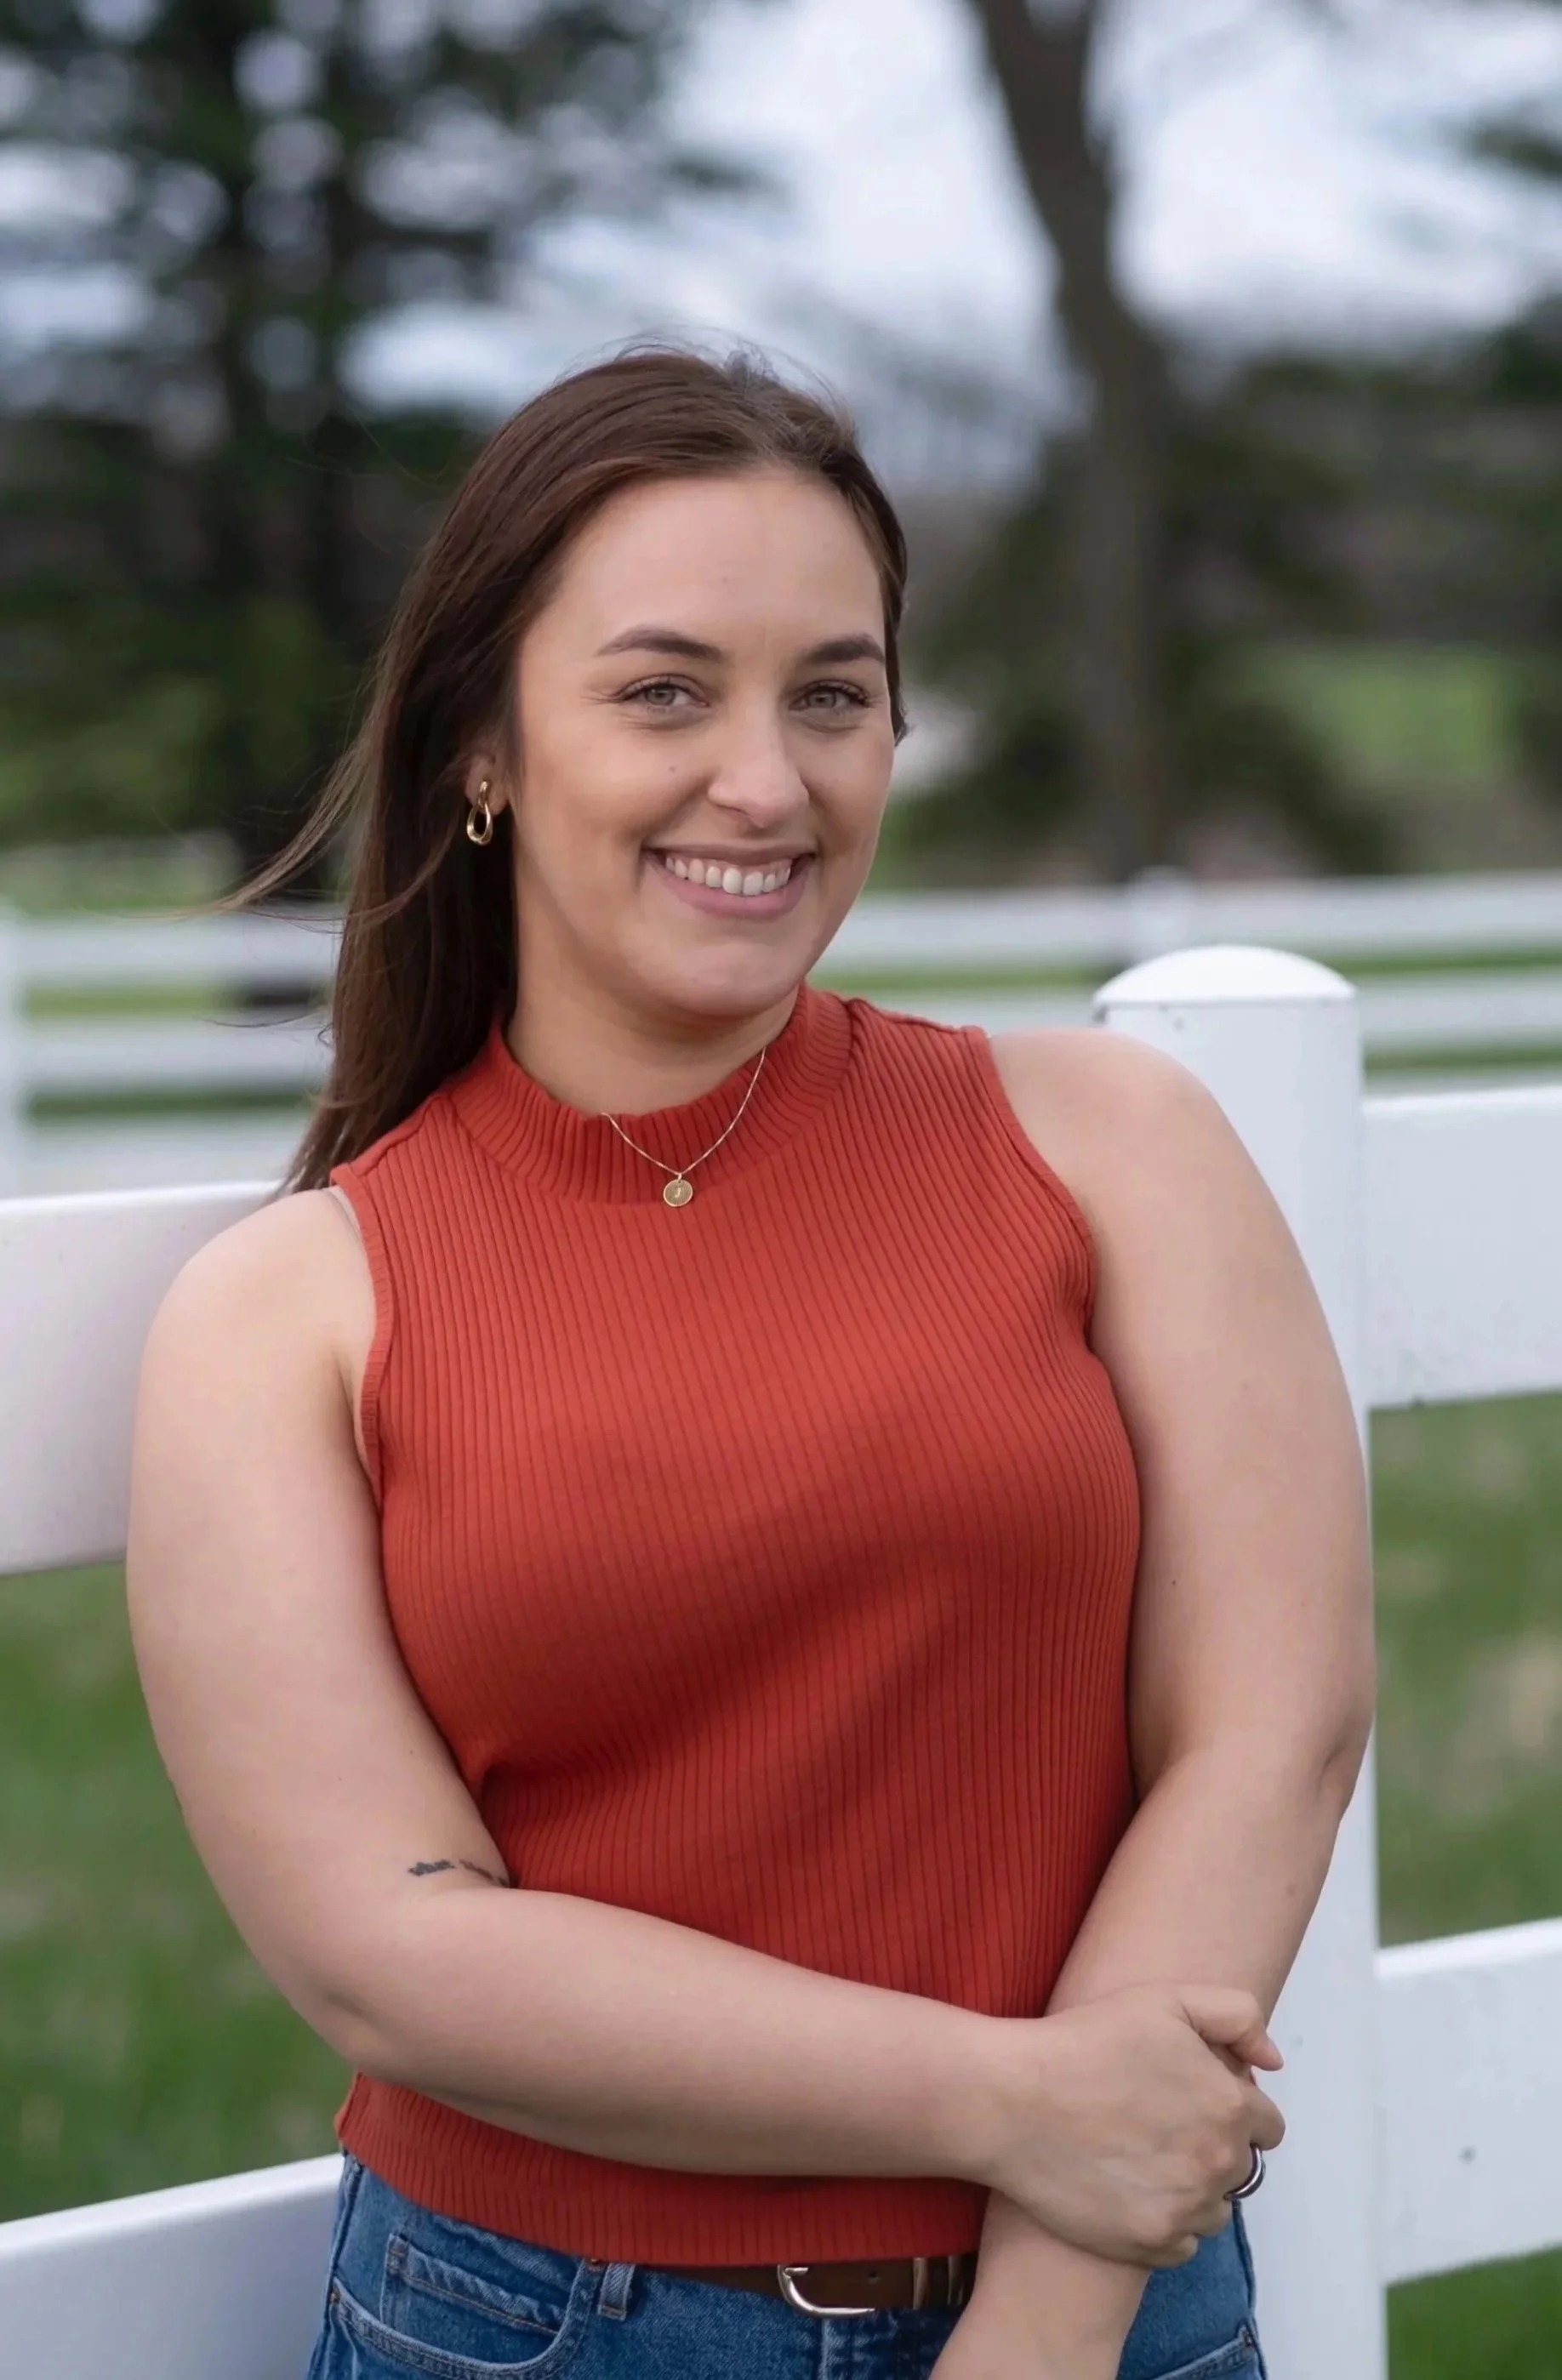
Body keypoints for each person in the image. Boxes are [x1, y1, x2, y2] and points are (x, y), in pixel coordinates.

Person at [124, 344, 1375, 2380]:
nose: (768, 782)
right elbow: (393, 1947)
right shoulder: (295, 1307)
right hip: (532, 2332)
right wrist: (1007, 2103)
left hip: (1109, 2309)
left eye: (834, 694)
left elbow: (1273, 1726)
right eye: (662, 690)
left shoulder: (1108, 1144)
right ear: (484, 746)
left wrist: (1047, 2319)